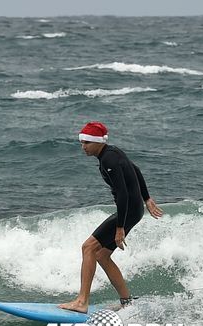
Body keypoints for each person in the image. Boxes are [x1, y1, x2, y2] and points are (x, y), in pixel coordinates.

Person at [59, 122, 163, 313]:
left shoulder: (109, 160)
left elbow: (122, 193)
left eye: (88, 143)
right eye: (82, 142)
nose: (84, 147)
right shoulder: (112, 153)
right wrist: (146, 199)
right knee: (101, 255)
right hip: (133, 209)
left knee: (88, 247)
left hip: (129, 210)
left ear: (98, 142)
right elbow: (136, 169)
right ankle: (126, 302)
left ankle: (82, 302)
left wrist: (119, 228)